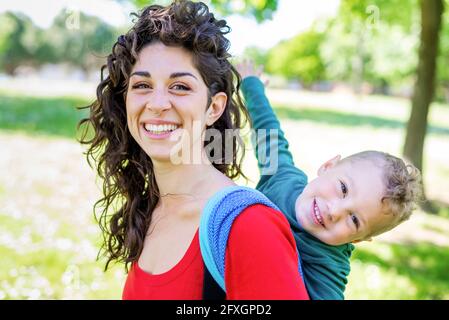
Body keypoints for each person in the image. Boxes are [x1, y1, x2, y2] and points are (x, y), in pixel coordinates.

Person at [78, 1, 309, 300]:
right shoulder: (150, 210)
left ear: (214, 107)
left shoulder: (249, 227)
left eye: (180, 87)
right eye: (142, 85)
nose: (157, 103)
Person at [236, 60, 423, 299]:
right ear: (328, 166)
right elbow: (268, 134)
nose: (335, 211)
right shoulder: (284, 178)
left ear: (359, 239)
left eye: (354, 219)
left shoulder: (327, 267)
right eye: (343, 188)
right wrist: (252, 86)